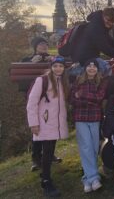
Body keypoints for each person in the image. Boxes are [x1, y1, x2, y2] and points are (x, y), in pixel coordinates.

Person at [26, 56, 69, 197]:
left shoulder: (63, 82)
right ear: (51, 67)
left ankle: (44, 174)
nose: (58, 68)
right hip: (44, 122)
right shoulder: (42, 81)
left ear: (64, 68)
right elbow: (31, 104)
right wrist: (33, 124)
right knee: (48, 151)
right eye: (55, 66)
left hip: (55, 123)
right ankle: (46, 180)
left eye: (61, 66)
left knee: (50, 151)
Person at [21, 37, 62, 171]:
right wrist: (31, 63)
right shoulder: (27, 60)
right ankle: (36, 158)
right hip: (35, 99)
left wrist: (54, 62)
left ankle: (50, 155)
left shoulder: (52, 59)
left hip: (50, 98)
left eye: (45, 44)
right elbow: (22, 80)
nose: (44, 46)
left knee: (52, 126)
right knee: (37, 128)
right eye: (40, 44)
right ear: (35, 47)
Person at [70, 59, 107, 193]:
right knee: (85, 146)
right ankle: (93, 178)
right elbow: (73, 100)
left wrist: (82, 96)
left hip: (95, 118)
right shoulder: (78, 81)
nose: (92, 68)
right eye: (89, 66)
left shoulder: (101, 82)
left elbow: (99, 98)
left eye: (94, 67)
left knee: (94, 146)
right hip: (80, 118)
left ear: (97, 69)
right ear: (85, 68)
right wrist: (89, 98)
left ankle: (87, 178)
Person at [71, 7, 114, 76]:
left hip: (86, 57)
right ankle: (99, 85)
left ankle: (95, 83)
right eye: (108, 20)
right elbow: (104, 47)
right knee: (106, 68)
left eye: (112, 22)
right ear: (103, 16)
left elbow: (109, 41)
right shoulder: (96, 27)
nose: (110, 23)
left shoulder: (99, 25)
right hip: (84, 59)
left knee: (102, 68)